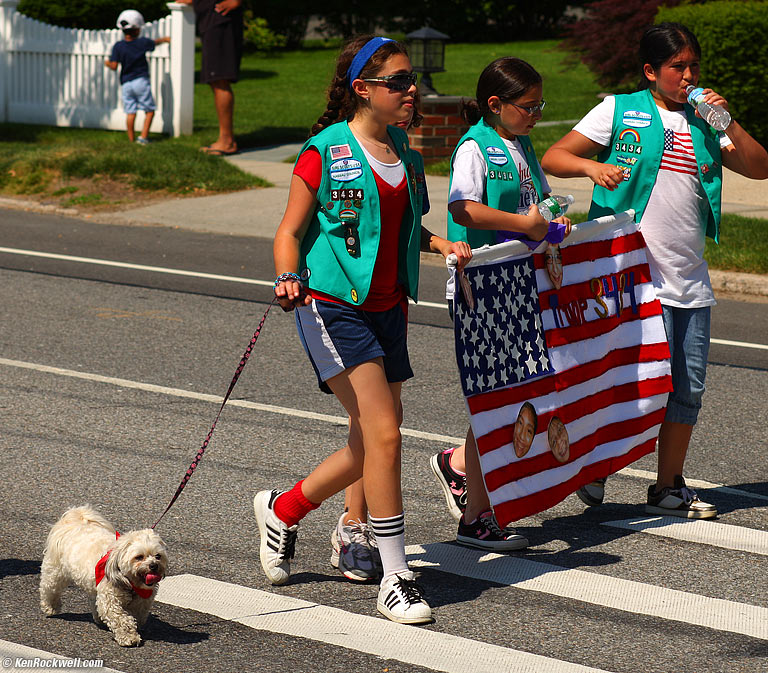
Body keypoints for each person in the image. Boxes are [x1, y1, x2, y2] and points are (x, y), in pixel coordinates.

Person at [253, 35, 472, 625]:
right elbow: (288, 233)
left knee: (369, 439)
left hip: (389, 307)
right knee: (386, 434)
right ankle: (397, 577)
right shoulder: (322, 152)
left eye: (411, 80)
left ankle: (284, 509)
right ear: (363, 90)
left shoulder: (406, 150)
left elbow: (402, 229)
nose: (411, 91)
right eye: (399, 81)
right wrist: (286, 275)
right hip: (332, 303)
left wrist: (440, 243)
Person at [541, 22, 768, 518]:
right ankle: (597, 465)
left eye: (693, 66)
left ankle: (668, 485)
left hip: (689, 277)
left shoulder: (707, 121)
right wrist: (591, 168)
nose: (687, 75)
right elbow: (556, 155)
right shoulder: (618, 110)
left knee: (687, 387)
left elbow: (760, 167)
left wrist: (726, 121)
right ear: (651, 71)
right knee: (631, 381)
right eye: (676, 67)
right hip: (632, 274)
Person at [439, 56, 572, 551]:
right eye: (528, 105)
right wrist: (527, 226)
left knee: (513, 396)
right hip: (483, 288)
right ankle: (476, 518)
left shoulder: (521, 142)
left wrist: (554, 220)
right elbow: (462, 207)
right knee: (497, 401)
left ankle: (460, 470)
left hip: (520, 281)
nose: (536, 113)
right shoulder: (475, 145)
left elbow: (538, 201)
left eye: (540, 104)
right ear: (495, 105)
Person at [177, 0, 243, 155]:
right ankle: (225, 138)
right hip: (212, 21)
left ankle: (227, 141)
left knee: (219, 80)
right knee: (216, 81)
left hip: (220, 22)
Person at [105, 10, 170, 145]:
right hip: (141, 81)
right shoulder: (142, 43)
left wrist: (107, 63)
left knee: (130, 112)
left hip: (126, 84)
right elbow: (155, 42)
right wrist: (165, 39)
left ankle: (131, 139)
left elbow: (114, 66)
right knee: (150, 110)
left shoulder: (118, 46)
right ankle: (143, 137)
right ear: (136, 30)